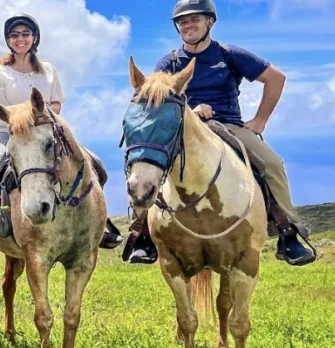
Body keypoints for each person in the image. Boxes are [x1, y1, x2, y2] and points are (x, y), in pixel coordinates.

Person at [122, 0, 316, 266]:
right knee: (147, 163)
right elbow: (158, 100)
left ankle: (288, 233)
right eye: (182, 21)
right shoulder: (170, 61)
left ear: (210, 22)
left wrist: (259, 120)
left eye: (194, 19)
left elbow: (276, 78)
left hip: (228, 126)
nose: (188, 25)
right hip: (184, 129)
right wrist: (191, 109)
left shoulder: (229, 54)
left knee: (271, 164)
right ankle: (142, 234)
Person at [0, 13, 119, 257]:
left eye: (25, 34)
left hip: (48, 131)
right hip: (9, 132)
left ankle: (99, 222)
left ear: (34, 38)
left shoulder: (48, 71)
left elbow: (55, 104)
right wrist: (27, 114)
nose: (20, 39)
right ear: (8, 40)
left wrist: (38, 117)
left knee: (95, 165)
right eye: (14, 35)